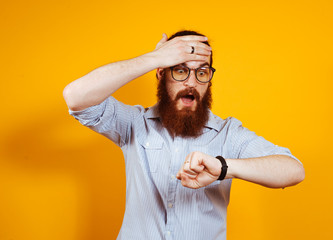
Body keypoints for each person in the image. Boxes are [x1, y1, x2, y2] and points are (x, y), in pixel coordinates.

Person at [63, 30, 305, 240]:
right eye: (180, 70)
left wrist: (223, 167)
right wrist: (155, 57)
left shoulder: (228, 133)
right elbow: (75, 96)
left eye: (201, 72)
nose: (191, 82)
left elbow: (294, 170)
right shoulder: (134, 124)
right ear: (161, 74)